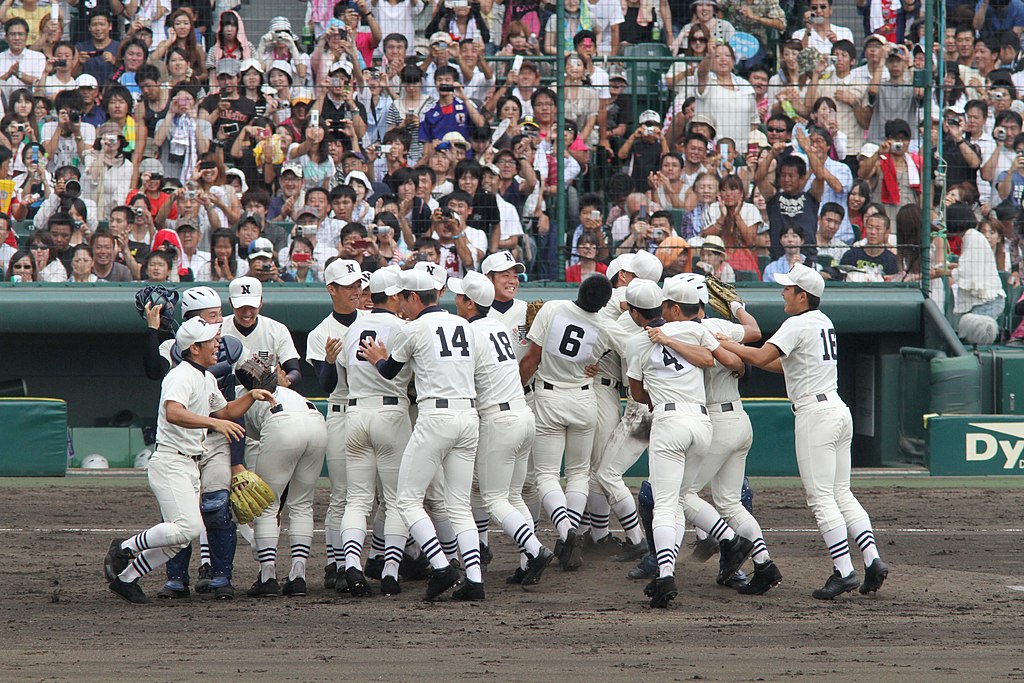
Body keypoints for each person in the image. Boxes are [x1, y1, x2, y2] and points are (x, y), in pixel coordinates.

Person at [715, 263, 889, 600]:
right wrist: (738, 350)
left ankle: (844, 571)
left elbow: (764, 353)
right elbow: (780, 364)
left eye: (788, 288)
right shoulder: (823, 321)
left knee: (822, 497)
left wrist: (727, 343)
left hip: (815, 414)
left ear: (803, 296)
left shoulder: (797, 323)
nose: (783, 292)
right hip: (838, 408)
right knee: (842, 493)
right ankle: (872, 561)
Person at [103, 316, 274, 604]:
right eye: (211, 339)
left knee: (179, 538)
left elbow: (226, 412)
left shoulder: (205, 377)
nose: (218, 343)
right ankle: (124, 547)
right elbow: (174, 412)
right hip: (171, 461)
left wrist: (251, 396)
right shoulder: (180, 375)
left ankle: (126, 579)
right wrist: (213, 424)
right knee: (189, 528)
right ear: (194, 348)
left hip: (190, 463)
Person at [359, 268, 486, 601]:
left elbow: (389, 372)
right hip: (469, 415)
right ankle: (474, 579)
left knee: (406, 500)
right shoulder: (464, 325)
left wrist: (376, 358)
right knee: (459, 504)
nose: (400, 303)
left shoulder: (413, 328)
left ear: (415, 297)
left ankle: (442, 566)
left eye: (403, 297)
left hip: (436, 417)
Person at [621, 278, 750, 607]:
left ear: (638, 313)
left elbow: (637, 394)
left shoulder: (638, 342)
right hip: (702, 422)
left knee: (665, 504)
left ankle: (665, 577)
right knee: (680, 498)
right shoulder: (695, 329)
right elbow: (710, 359)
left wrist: (664, 340)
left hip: (669, 420)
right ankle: (728, 539)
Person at [661, 273, 782, 594]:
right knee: (730, 501)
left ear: (676, 306)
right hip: (740, 418)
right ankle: (764, 563)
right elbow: (755, 332)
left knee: (682, 495)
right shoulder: (723, 327)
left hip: (714, 421)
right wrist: (737, 305)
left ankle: (728, 544)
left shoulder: (688, 331)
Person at [519, 274, 613, 572]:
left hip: (549, 397)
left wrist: (517, 388)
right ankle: (572, 533)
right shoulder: (604, 326)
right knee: (578, 473)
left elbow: (532, 357)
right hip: (585, 399)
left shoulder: (552, 308)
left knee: (546, 474)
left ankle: (565, 532)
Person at [240, 353, 328, 599]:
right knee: (302, 505)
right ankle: (298, 577)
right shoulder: (292, 392)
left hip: (282, 424)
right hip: (316, 422)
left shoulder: (243, 396)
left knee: (268, 504)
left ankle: (267, 577)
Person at [304, 258, 364, 590]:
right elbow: (326, 386)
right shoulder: (320, 333)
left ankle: (366, 560)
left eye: (358, 285)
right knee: (342, 493)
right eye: (349, 286)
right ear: (332, 290)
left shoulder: (371, 321)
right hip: (341, 411)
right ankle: (335, 563)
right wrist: (329, 360)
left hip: (370, 412)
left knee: (373, 495)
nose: (356, 291)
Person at [840, 212, 898, 278]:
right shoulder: (851, 255)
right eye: (870, 227)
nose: (873, 232)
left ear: (886, 232)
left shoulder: (892, 260)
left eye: (878, 229)